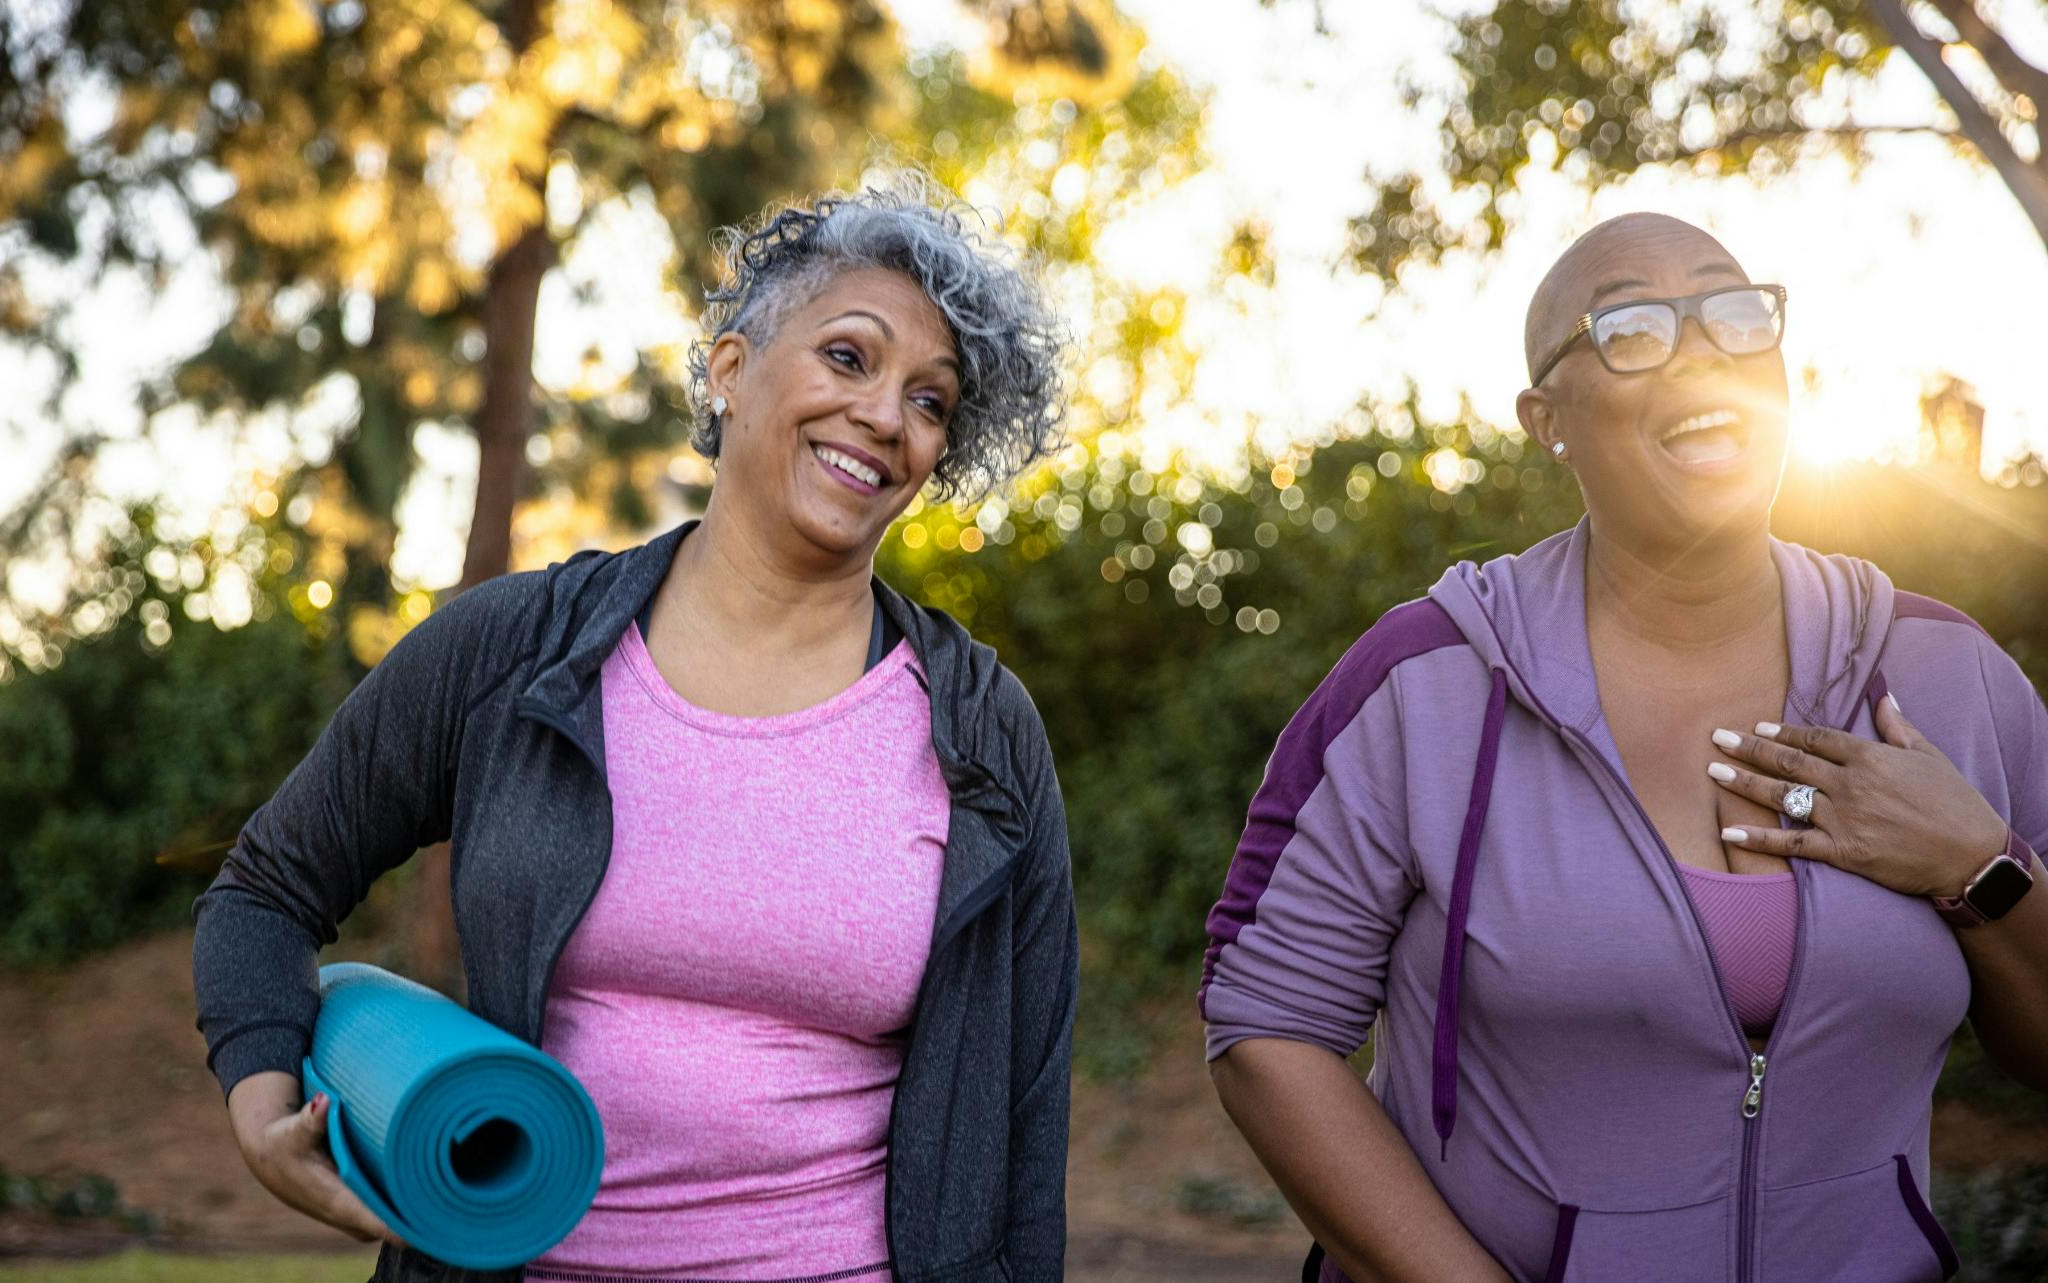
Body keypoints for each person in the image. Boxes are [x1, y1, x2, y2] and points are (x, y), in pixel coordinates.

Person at [193, 177, 1078, 1283]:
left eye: (930, 400)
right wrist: (262, 1105)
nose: (885, 416)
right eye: (848, 357)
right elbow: (267, 889)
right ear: (730, 369)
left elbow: (1027, 1109)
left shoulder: (982, 730)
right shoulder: (512, 647)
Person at [1201, 212, 2048, 1282]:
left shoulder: (1948, 676)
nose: (1701, 350)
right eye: (1633, 327)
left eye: (1734, 313)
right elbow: (1265, 1022)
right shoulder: (1422, 685)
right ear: (1546, 419)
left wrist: (1978, 865)